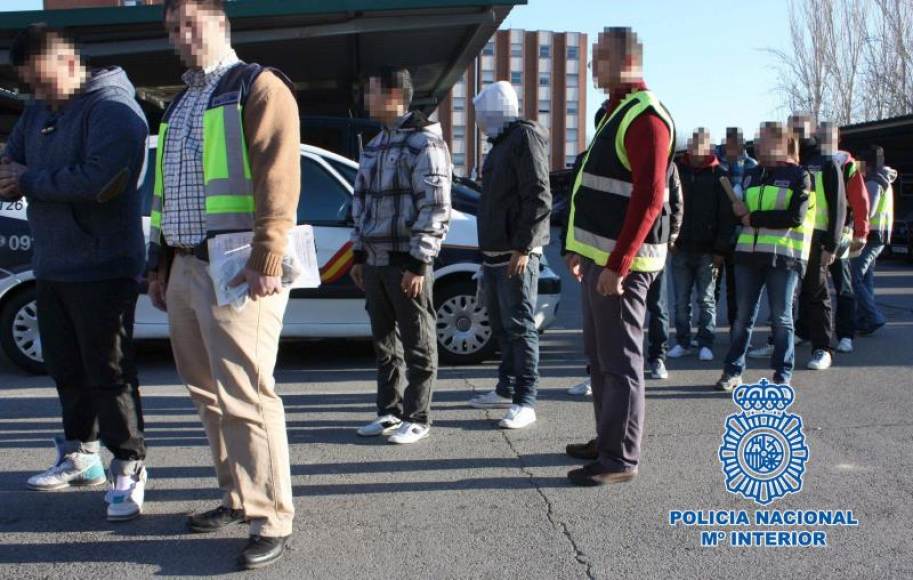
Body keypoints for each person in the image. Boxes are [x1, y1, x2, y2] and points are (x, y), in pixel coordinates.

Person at [146, 0, 301, 568]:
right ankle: (238, 496)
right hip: (186, 265)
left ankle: (271, 516)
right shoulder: (179, 103)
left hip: (237, 265)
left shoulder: (256, 87)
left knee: (247, 393)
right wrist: (159, 265)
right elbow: (165, 193)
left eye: (191, 23)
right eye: (173, 28)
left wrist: (268, 254)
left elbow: (278, 174)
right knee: (207, 393)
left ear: (220, 22)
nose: (182, 36)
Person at [0, 25, 149, 521]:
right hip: (52, 262)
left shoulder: (113, 109)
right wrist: (13, 177)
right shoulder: (38, 111)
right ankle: (81, 454)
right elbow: (10, 162)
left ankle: (128, 463)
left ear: (69, 62)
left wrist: (28, 179)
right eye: (29, 84)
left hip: (104, 266)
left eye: (42, 81)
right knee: (65, 367)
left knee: (109, 371)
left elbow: (102, 181)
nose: (37, 93)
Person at [563, 28, 676, 486]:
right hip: (599, 259)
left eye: (601, 58)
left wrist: (618, 264)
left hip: (622, 267)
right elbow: (595, 190)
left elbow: (650, 197)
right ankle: (607, 439)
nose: (593, 67)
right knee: (599, 357)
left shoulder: (647, 117)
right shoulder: (615, 112)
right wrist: (578, 248)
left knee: (621, 362)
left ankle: (620, 458)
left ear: (628, 61)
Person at [350, 68, 452, 443]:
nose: (366, 99)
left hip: (406, 262)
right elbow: (359, 202)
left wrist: (419, 263)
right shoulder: (376, 144)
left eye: (372, 91)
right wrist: (358, 254)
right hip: (375, 261)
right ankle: (388, 412)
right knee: (384, 345)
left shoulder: (424, 142)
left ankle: (418, 416)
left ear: (394, 95)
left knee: (418, 342)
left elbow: (436, 206)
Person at [467, 81, 551, 428]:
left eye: (481, 112)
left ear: (495, 110)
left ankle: (525, 400)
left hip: (515, 254)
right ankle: (506, 387)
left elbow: (539, 195)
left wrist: (524, 247)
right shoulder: (501, 144)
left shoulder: (523, 138)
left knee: (520, 326)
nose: (477, 121)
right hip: (494, 253)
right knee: (502, 326)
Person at [716, 122, 814, 391]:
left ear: (782, 143)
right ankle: (732, 371)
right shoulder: (751, 175)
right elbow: (738, 214)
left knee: (781, 319)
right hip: (748, 256)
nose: (758, 145)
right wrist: (736, 212)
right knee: (742, 318)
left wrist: (754, 218)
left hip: (784, 258)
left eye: (765, 140)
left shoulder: (800, 176)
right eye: (758, 140)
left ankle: (782, 376)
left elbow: (795, 217)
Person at [668, 128, 732, 362]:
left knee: (706, 300)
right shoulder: (677, 170)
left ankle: (706, 342)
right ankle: (682, 342)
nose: (697, 151)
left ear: (709, 148)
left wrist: (720, 249)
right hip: (680, 248)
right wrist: (669, 239)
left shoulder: (720, 175)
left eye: (701, 146)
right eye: (693, 145)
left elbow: (726, 215)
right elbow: (668, 206)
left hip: (708, 250)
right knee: (680, 301)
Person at [795, 121, 847, 371]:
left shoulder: (826, 162)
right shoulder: (791, 162)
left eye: (799, 128)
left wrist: (831, 245)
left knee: (817, 294)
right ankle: (789, 338)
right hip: (791, 239)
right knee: (792, 295)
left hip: (817, 239)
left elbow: (839, 206)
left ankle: (823, 348)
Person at [716, 127, 758, 328]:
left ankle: (736, 328)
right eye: (728, 144)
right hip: (718, 234)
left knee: (737, 286)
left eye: (735, 145)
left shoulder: (752, 166)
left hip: (742, 236)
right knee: (712, 287)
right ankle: (707, 330)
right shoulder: (718, 165)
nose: (731, 148)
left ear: (742, 145)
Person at [645, 161, 683, 380]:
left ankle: (657, 357)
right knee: (624, 309)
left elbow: (676, 203)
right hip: (625, 246)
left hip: (656, 245)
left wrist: (672, 236)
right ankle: (624, 359)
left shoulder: (668, 165)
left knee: (658, 305)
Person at [852, 145, 895, 336]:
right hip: (880, 234)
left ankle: (873, 316)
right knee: (866, 278)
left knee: (854, 277)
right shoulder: (883, 179)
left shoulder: (873, 182)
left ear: (866, 165)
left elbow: (866, 210)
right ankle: (863, 319)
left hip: (871, 235)